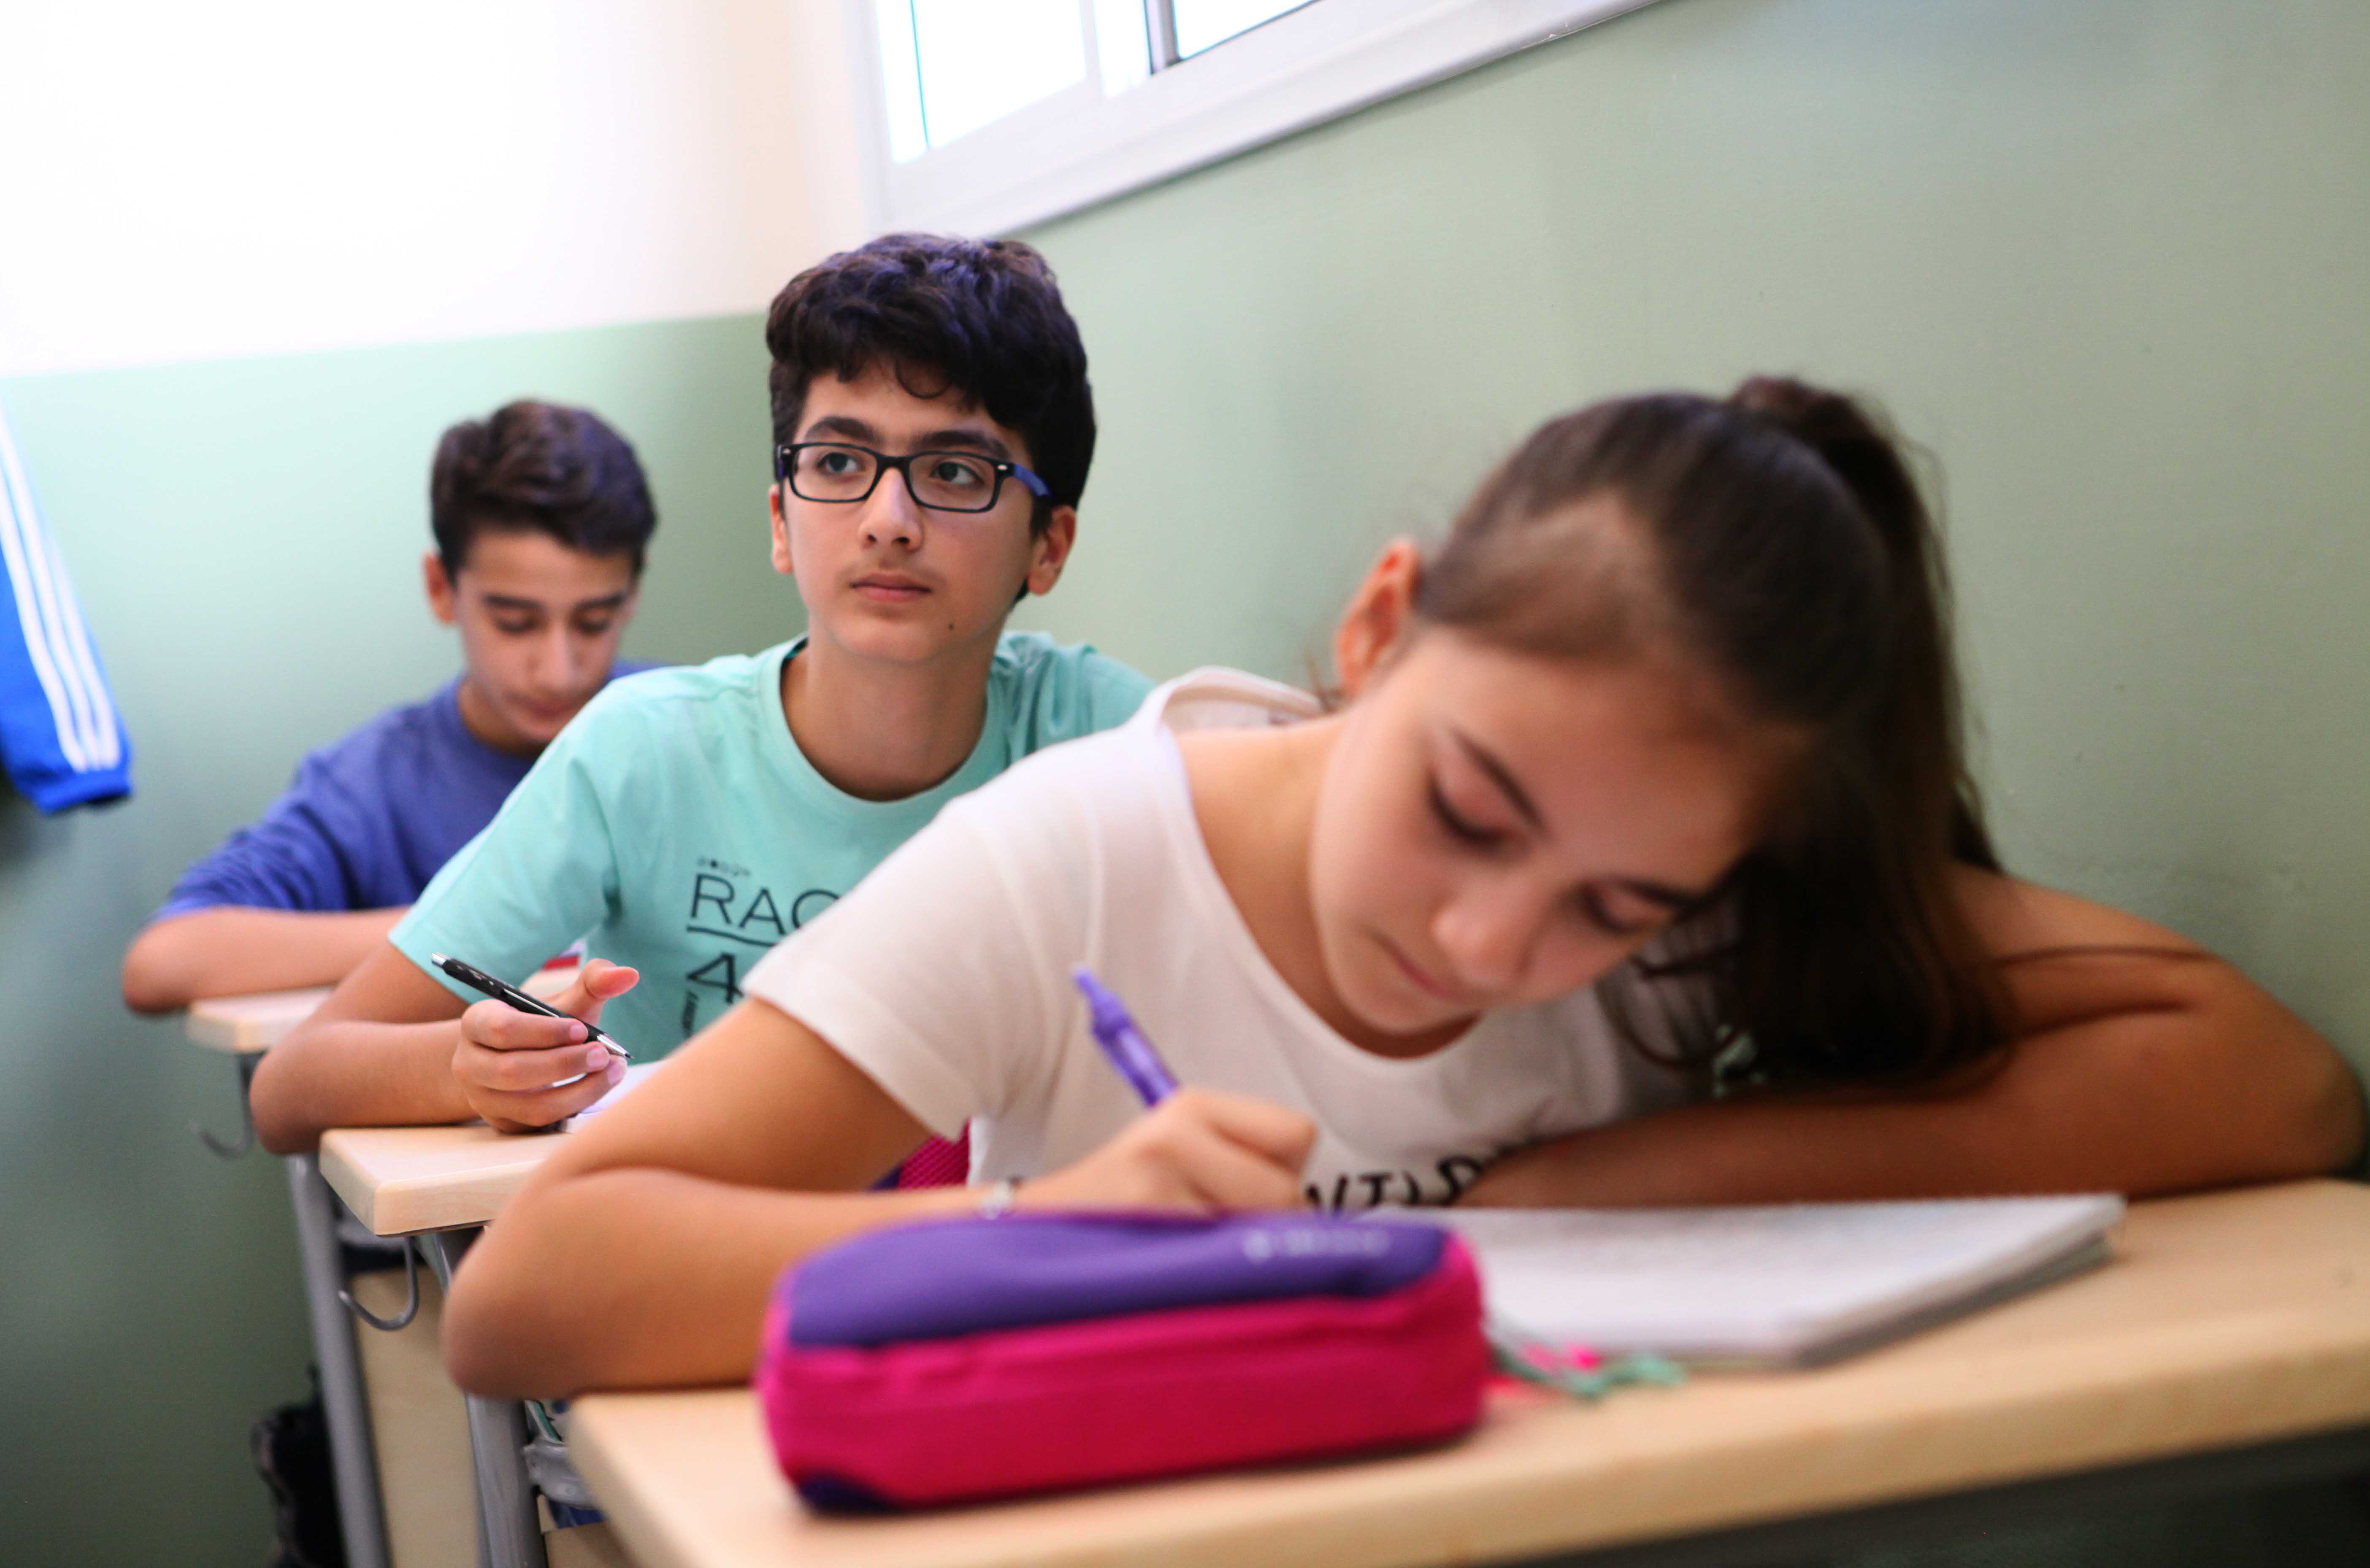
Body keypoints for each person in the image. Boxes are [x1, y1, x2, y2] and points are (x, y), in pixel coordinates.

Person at [439, 376, 2365, 1400]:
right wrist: (1048, 1236)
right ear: (1382, 624)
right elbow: (530, 1293)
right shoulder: (1073, 852)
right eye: (1466, 807)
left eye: (1616, 910)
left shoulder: (1698, 876)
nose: (1491, 945)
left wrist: (1605, 1182)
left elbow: (2267, 1081)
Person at [250, 234, 1153, 1156]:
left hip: (993, 1242)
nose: (889, 522)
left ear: (1048, 545)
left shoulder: (1110, 740)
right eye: (839, 464)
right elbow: (289, 1089)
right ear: (781, 520)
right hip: (691, 1233)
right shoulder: (642, 752)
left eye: (955, 473)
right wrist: (467, 1067)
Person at [121, 400, 656, 1012]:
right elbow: (162, 963)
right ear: (441, 588)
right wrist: (477, 922)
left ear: (631, 596)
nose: (557, 669)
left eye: (593, 622)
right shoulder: (372, 786)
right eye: (515, 622)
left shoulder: (691, 733)